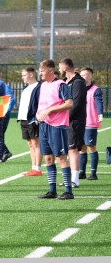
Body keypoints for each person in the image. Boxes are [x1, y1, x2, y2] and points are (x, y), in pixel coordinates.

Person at [36, 59, 73, 200]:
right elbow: (42, 105)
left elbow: (69, 103)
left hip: (57, 126)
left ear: (51, 71)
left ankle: (68, 191)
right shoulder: (43, 86)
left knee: (60, 157)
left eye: (43, 71)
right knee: (48, 157)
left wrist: (51, 109)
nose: (40, 74)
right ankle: (52, 190)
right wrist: (38, 114)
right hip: (44, 125)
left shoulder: (61, 85)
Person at [58, 58, 87, 187]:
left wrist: (65, 117)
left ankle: (74, 179)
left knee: (73, 149)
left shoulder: (78, 82)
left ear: (65, 68)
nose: (59, 70)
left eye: (59, 67)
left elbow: (76, 103)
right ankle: (68, 178)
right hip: (64, 121)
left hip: (74, 121)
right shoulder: (64, 82)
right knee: (66, 150)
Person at [79, 67, 103, 181]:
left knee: (90, 146)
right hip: (80, 122)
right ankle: (81, 172)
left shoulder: (95, 90)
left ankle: (93, 173)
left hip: (90, 122)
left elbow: (99, 102)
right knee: (81, 148)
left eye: (84, 75)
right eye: (81, 75)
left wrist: (100, 114)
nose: (82, 77)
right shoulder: (80, 89)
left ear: (90, 76)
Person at [17, 67, 43, 176]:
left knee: (35, 143)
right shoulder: (26, 88)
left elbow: (41, 103)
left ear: (31, 74)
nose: (22, 77)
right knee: (30, 143)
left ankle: (38, 168)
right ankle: (33, 168)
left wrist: (37, 117)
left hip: (33, 119)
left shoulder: (39, 87)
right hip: (23, 119)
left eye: (24, 75)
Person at [2, 83, 15, 162]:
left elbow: (11, 99)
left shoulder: (3, 86)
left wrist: (6, 111)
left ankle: (4, 152)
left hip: (3, 114)